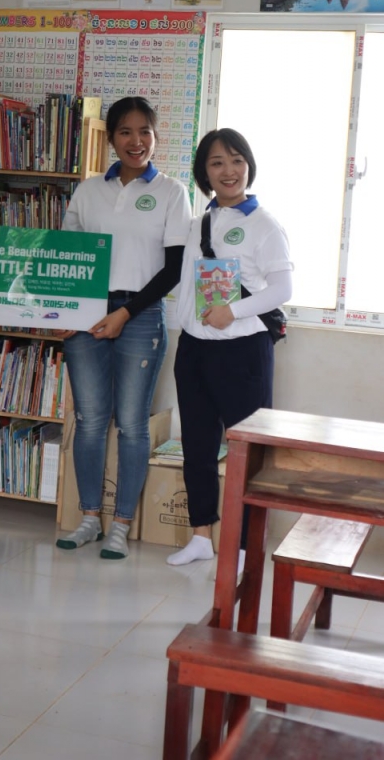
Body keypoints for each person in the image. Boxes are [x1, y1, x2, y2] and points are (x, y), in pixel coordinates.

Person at [55, 97, 191, 560]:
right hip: (86, 314)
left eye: (145, 131)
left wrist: (126, 313)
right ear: (111, 137)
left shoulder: (173, 192)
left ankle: (122, 525)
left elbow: (173, 270)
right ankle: (90, 519)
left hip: (141, 317)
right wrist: (60, 311)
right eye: (126, 132)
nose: (137, 141)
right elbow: (66, 257)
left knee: (132, 425)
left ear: (156, 136)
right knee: (90, 421)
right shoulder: (88, 190)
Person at [167, 129, 292, 568]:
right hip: (195, 350)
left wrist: (233, 312)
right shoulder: (199, 222)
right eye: (217, 163)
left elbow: (282, 288)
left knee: (246, 453)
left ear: (249, 165)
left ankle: (241, 547)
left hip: (242, 352)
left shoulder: (264, 224)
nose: (228, 171)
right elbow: (185, 283)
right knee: (197, 447)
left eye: (236, 160)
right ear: (204, 172)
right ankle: (201, 535)